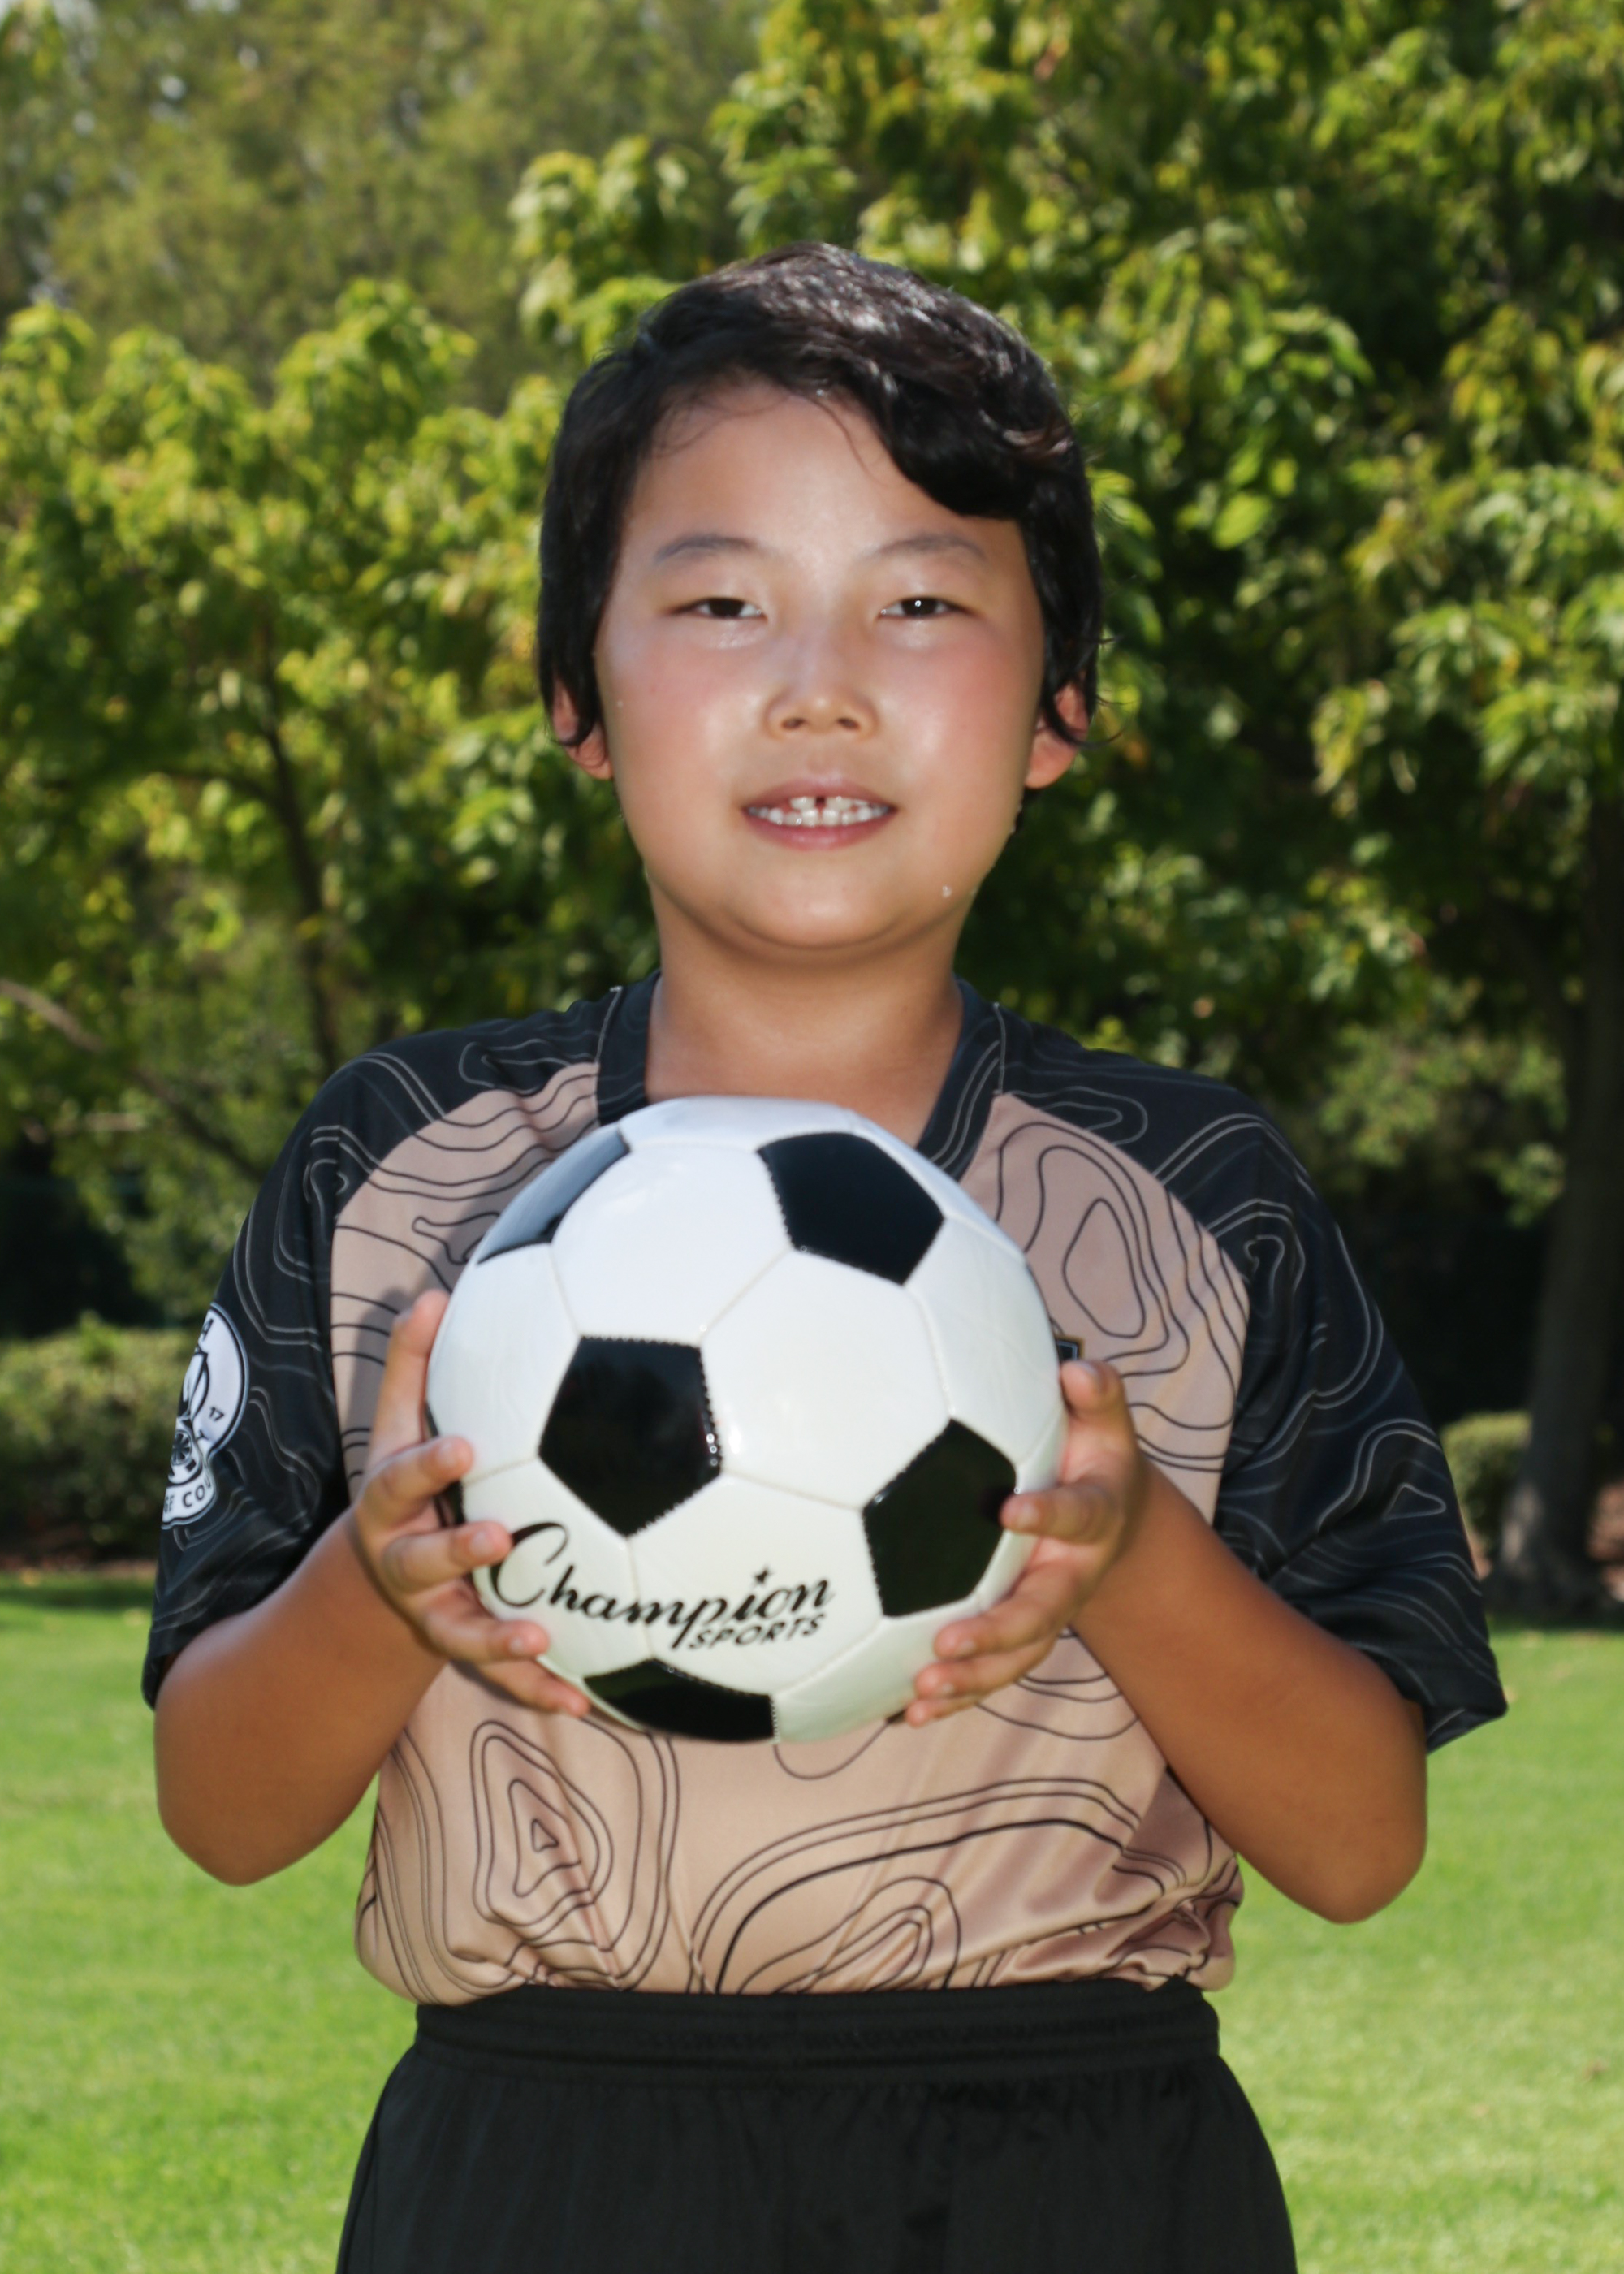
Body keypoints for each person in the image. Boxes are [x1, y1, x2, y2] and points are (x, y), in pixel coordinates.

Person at [145, 244, 1505, 2274]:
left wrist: (1130, 1555)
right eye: (719, 602)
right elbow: (220, 1804)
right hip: (537, 2169)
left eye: (921, 601)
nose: (820, 681)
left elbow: (1361, 1840)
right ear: (574, 696)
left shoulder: (1194, 1200)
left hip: (1082, 2168)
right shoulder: (399, 1172)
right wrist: (379, 1583)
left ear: (1056, 711)